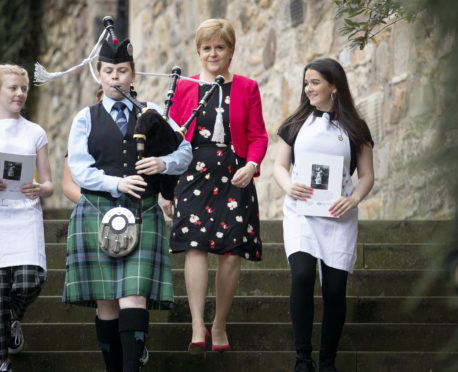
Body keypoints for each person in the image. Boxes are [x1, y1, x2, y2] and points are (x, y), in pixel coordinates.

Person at [63, 39, 192, 372]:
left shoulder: (154, 114)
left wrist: (163, 164)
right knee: (106, 303)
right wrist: (116, 183)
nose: (115, 78)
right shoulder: (85, 118)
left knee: (133, 296)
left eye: (122, 71)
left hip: (143, 212)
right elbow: (78, 167)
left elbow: (185, 152)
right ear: (100, 75)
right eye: (109, 71)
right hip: (96, 209)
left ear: (132, 73)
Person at [168, 18, 268, 354]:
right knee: (194, 247)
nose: (213, 53)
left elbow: (257, 135)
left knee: (231, 254)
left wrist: (252, 165)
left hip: (235, 175)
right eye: (207, 48)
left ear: (231, 51)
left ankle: (220, 324)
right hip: (191, 173)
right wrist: (167, 189)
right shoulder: (183, 88)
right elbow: (170, 139)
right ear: (198, 51)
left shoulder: (247, 87)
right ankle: (198, 325)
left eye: (220, 47)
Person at [273, 58, 374, 372]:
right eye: (306, 83)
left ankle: (328, 361)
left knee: (334, 290)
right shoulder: (296, 122)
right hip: (301, 213)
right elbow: (279, 165)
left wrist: (354, 198)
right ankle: (303, 358)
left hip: (338, 216)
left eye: (314, 82)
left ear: (334, 85)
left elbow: (368, 175)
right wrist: (289, 186)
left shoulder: (356, 126)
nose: (308, 88)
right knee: (302, 275)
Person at [0, 64, 54, 372]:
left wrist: (38, 188)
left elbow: (49, 185)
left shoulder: (36, 132)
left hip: (26, 216)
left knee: (30, 282)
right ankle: (2, 360)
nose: (20, 93)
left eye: (23, 88)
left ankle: (13, 317)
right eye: (13, 88)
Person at [63, 87, 104, 203]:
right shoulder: (83, 134)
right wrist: (94, 205)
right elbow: (68, 184)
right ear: (97, 103)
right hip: (94, 206)